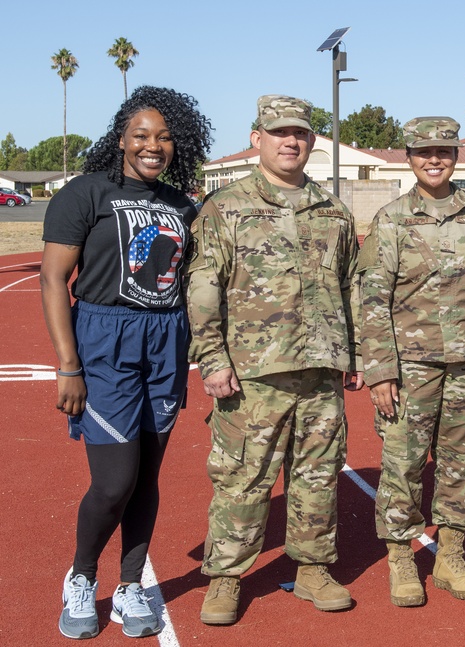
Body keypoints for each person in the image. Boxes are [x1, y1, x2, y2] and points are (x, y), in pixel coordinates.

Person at [41, 86, 213, 640]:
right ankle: (82, 577)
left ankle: (132, 584)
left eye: (163, 137)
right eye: (141, 135)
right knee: (114, 481)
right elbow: (50, 279)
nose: (152, 145)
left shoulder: (183, 206)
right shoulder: (87, 193)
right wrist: (69, 365)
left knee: (147, 479)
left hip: (165, 343)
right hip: (103, 343)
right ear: (121, 139)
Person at [186, 95, 361, 625]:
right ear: (257, 138)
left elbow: (353, 285)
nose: (291, 141)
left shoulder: (333, 210)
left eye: (301, 134)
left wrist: (356, 354)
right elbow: (202, 287)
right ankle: (225, 577)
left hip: (322, 370)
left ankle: (311, 568)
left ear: (312, 142)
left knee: (318, 476)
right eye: (280, 132)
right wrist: (212, 359)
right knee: (243, 478)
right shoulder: (226, 207)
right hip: (252, 375)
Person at [358, 116, 465, 606]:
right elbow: (372, 299)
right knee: (403, 463)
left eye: (444, 151)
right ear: (409, 157)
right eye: (424, 151)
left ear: (456, 156)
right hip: (410, 367)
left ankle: (451, 553)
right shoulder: (391, 219)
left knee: (464, 462)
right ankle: (402, 557)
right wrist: (381, 368)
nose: (434, 159)